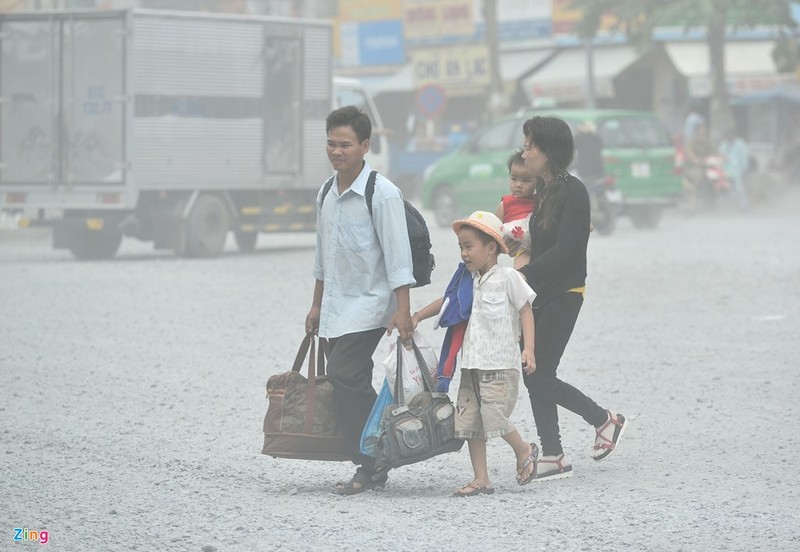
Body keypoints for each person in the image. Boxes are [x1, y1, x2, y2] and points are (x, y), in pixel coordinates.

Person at [305, 105, 415, 495]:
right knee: (347, 378)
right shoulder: (325, 192)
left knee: (345, 374)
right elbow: (323, 257)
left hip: (371, 305)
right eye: (331, 144)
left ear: (365, 146)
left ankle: (373, 456)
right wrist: (316, 305)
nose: (337, 151)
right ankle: (373, 455)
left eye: (345, 144)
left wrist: (403, 310)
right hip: (337, 306)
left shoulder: (382, 194)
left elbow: (399, 257)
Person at [519, 115, 628, 481]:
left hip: (565, 292)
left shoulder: (574, 189)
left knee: (539, 374)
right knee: (534, 371)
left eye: (530, 145)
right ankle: (553, 454)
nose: (525, 151)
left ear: (548, 150)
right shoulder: (545, 191)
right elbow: (544, 243)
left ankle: (603, 420)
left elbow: (567, 250)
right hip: (538, 294)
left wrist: (518, 277)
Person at [411, 211, 539, 496]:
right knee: (469, 424)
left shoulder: (508, 277)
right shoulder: (467, 280)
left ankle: (524, 449)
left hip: (499, 366)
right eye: (461, 247)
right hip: (471, 366)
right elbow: (446, 302)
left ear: (490, 247)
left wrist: (528, 348)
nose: (464, 253)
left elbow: (525, 310)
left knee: (494, 417)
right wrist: (417, 315)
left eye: (469, 246)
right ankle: (481, 479)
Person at [495, 150, 536, 270]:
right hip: (522, 249)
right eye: (514, 179)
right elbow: (494, 229)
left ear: (537, 181)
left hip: (540, 246)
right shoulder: (505, 204)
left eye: (525, 180)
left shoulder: (539, 201)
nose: (518, 184)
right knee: (522, 271)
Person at [718, 126, 750, 210]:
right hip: (725, 169)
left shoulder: (741, 144)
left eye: (730, 135)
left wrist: (743, 170)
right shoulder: (723, 144)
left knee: (739, 187)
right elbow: (720, 157)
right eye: (726, 136)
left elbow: (744, 159)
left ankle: (744, 206)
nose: (728, 137)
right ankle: (727, 206)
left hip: (738, 170)